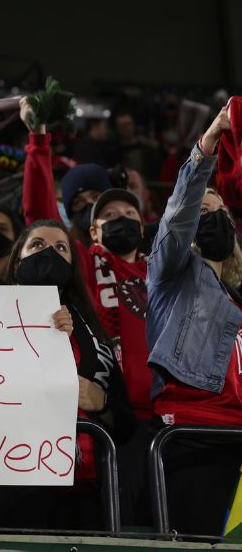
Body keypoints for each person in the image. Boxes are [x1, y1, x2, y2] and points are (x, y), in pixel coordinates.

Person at [0, 218, 135, 530]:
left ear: (71, 264)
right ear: (17, 259)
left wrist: (102, 403)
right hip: (11, 481)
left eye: (60, 248)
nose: (49, 253)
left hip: (85, 488)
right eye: (38, 245)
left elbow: (124, 425)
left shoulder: (93, 331)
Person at [147, 106, 242, 537]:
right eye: (202, 212)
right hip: (195, 438)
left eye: (217, 210)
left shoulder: (237, 298)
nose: (210, 216)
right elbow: (180, 208)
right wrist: (208, 145)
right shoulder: (168, 276)